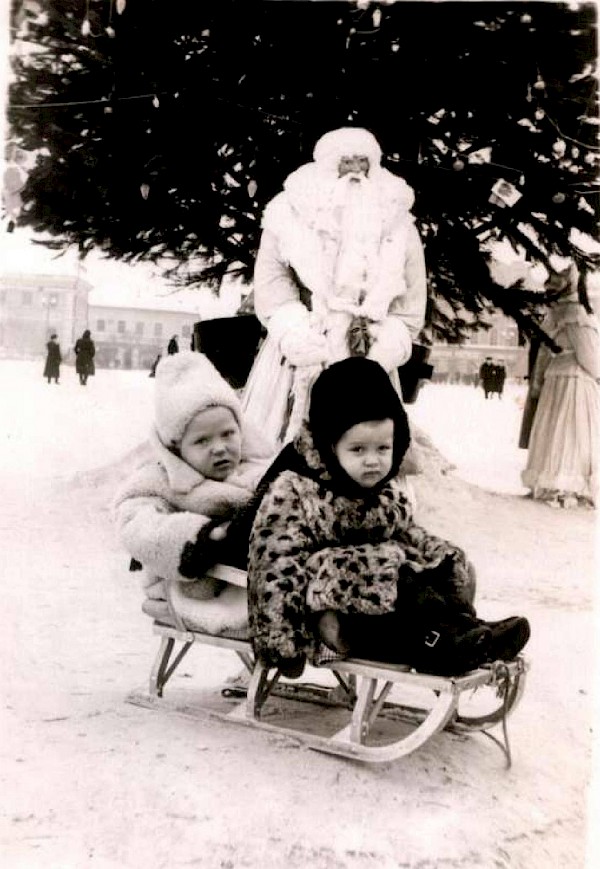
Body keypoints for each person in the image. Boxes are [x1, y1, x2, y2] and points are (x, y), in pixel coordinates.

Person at [247, 357, 530, 678]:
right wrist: (281, 642)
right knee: (396, 574)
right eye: (358, 450)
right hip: (333, 618)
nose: (372, 462)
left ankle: (466, 629)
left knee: (426, 564)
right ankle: (440, 644)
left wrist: (438, 558)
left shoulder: (380, 489)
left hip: (389, 600)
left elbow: (404, 533)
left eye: (382, 449)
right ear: (330, 445)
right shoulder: (296, 490)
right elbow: (273, 564)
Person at [241, 126, 428, 450]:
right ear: (328, 164)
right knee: (288, 447)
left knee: (368, 447)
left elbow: (411, 299)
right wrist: (297, 333)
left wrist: (387, 344)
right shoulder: (287, 212)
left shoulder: (397, 219)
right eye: (346, 163)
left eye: (363, 162)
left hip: (370, 349)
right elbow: (271, 284)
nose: (356, 172)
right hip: (303, 345)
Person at [114, 351, 274, 634]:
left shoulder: (258, 470)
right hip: (193, 589)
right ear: (176, 448)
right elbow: (135, 523)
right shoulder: (161, 480)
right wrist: (202, 536)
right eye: (202, 441)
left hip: (255, 580)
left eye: (228, 433)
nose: (220, 447)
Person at [521, 262, 599, 508]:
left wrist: (538, 381)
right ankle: (568, 487)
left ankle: (548, 481)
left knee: (553, 429)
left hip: (555, 379)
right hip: (574, 380)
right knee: (574, 432)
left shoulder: (554, 313)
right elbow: (590, 355)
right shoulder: (577, 314)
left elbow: (543, 353)